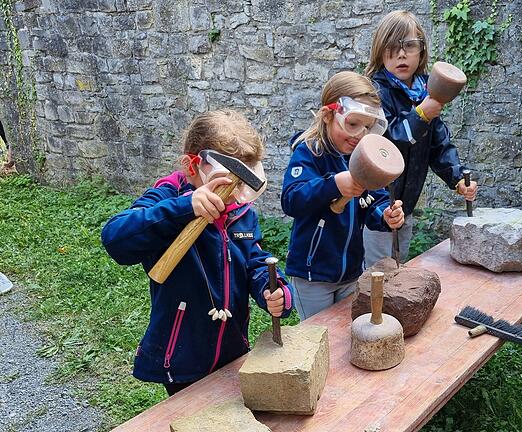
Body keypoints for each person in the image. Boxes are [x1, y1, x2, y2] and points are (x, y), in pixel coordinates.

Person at [101, 110, 293, 396]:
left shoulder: (240, 212)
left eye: (241, 183)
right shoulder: (167, 198)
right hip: (183, 356)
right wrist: (185, 206)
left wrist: (273, 289)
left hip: (232, 346)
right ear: (192, 166)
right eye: (224, 181)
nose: (232, 193)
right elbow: (116, 238)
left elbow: (253, 260)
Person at [281, 71, 405, 320]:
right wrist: (334, 185)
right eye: (352, 124)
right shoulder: (309, 153)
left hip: (351, 272)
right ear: (328, 115)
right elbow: (292, 199)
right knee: (317, 335)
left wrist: (385, 215)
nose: (359, 134)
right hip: (312, 275)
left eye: (368, 127)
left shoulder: (361, 156)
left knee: (343, 330)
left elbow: (375, 200)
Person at [363, 10, 478, 266]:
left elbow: (438, 144)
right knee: (375, 275)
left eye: (410, 45)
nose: (401, 54)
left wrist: (458, 177)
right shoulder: (373, 91)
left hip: (407, 204)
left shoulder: (426, 90)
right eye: (392, 46)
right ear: (380, 51)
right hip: (376, 206)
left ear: (421, 51)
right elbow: (383, 148)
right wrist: (420, 115)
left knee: (398, 266)